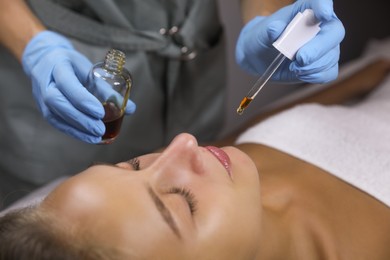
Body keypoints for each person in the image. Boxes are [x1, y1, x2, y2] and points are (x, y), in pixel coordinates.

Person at [1, 56, 389, 259]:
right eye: (181, 204)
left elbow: (245, 138)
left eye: (133, 165)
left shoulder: (229, 173)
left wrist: (365, 75)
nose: (184, 144)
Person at [0, 0, 344, 209]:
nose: (186, 144)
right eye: (181, 205)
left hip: (192, 61)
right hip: (61, 52)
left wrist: (270, 19)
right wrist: (35, 45)